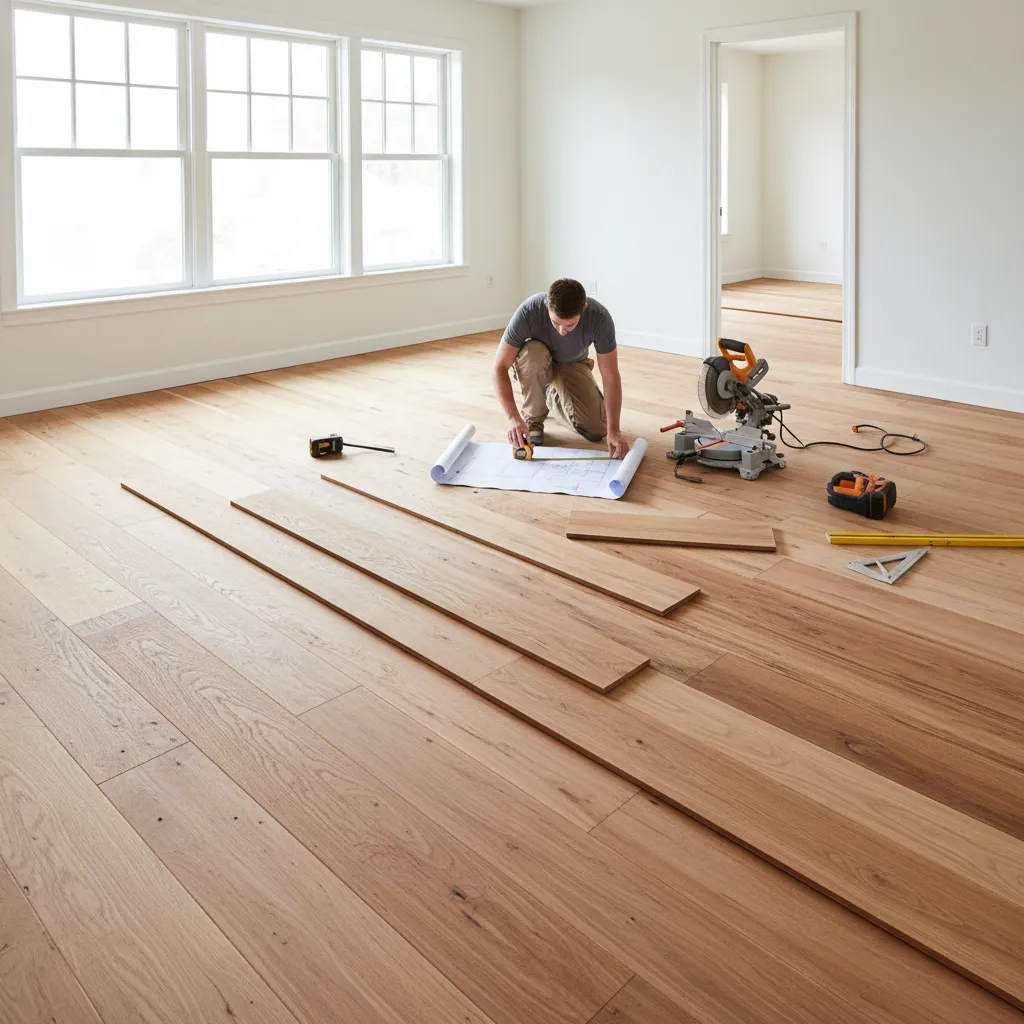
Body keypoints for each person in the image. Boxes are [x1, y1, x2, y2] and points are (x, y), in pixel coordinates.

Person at [492, 279, 629, 459]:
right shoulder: (529, 311)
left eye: (570, 325)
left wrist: (614, 430)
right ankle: (534, 420)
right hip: (536, 362)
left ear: (584, 307)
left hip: (573, 364)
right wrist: (512, 418)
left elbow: (610, 375)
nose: (562, 331)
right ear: (547, 306)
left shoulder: (599, 317)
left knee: (596, 430)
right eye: (556, 323)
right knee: (533, 353)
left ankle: (551, 395)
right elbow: (499, 367)